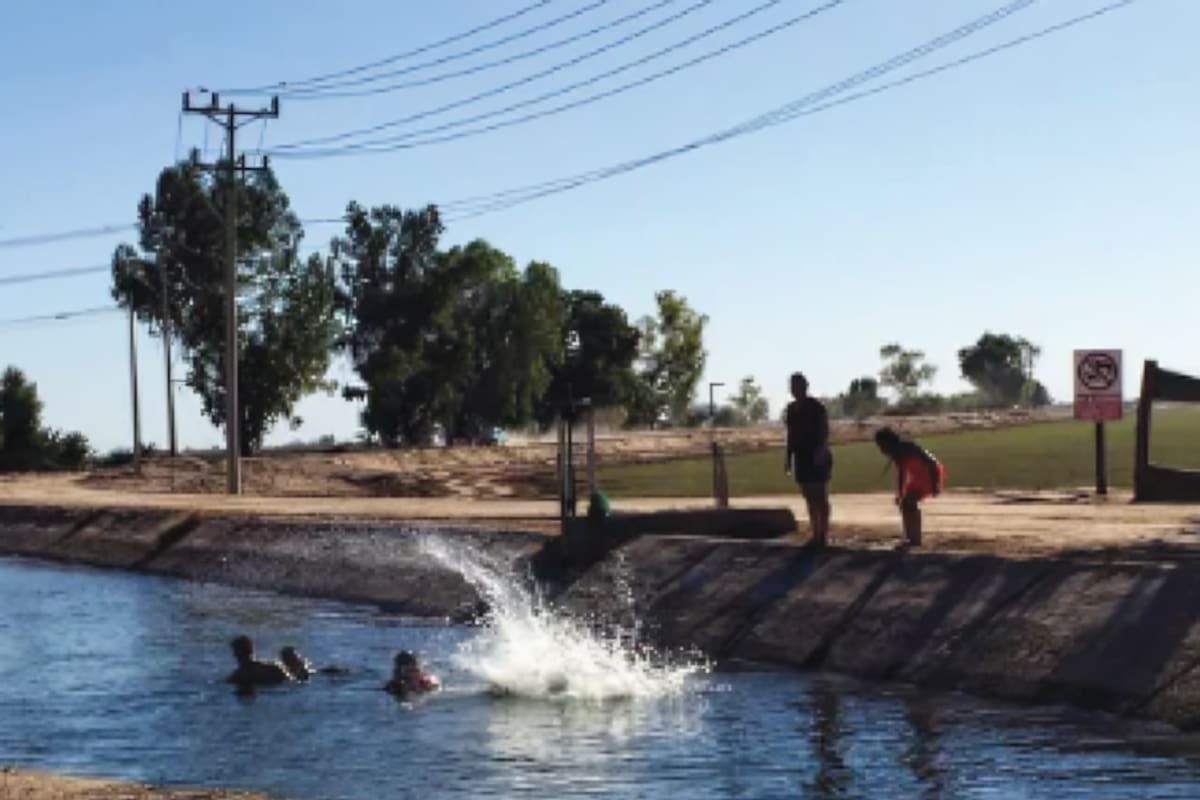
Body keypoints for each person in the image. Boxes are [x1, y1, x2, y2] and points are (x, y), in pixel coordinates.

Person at [873, 426, 946, 547]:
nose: (881, 449)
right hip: (917, 476)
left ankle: (915, 538)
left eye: (882, 445)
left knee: (909, 502)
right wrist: (900, 494)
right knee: (905, 503)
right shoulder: (897, 453)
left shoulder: (907, 448)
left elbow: (931, 463)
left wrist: (936, 484)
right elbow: (902, 474)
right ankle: (910, 536)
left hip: (929, 473)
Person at [785, 372, 833, 546]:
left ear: (805, 386)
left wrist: (821, 450)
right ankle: (815, 531)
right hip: (801, 456)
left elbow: (824, 430)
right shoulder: (791, 409)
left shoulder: (816, 407)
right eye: (793, 386)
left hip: (816, 454)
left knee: (820, 495)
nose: (795, 389)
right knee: (808, 496)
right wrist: (788, 458)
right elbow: (790, 435)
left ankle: (824, 533)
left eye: (798, 385)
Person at [226, 635, 292, 690]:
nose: (234, 655)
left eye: (235, 652)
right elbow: (292, 682)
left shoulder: (238, 676)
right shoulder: (274, 667)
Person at [279, 646, 350, 681]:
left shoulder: (313, 671)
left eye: (298, 658)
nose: (300, 660)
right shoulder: (285, 675)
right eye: (295, 658)